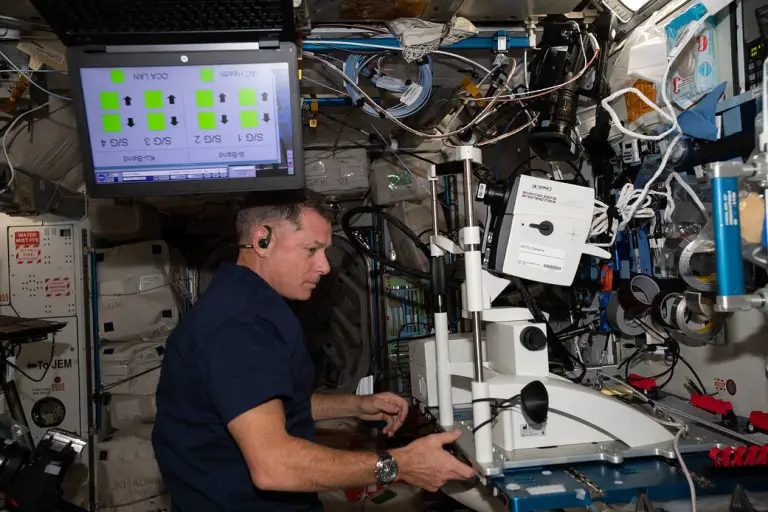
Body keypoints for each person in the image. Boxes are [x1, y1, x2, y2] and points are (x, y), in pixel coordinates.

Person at [152, 191, 474, 511]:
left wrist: (355, 405)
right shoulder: (239, 326)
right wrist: (399, 465)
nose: (323, 266)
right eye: (311, 249)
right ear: (262, 240)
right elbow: (274, 466)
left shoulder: (247, 304)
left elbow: (265, 405)